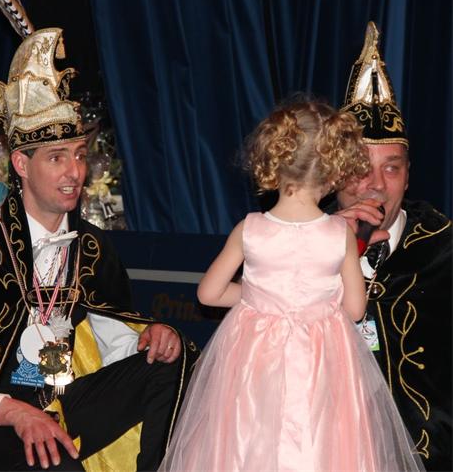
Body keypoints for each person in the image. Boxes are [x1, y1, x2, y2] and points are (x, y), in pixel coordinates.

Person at [0, 28, 198, 472]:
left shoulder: (91, 247)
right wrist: (14, 412)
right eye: (57, 157)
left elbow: (113, 335)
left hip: (62, 400)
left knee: (174, 359)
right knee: (59, 466)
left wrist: (147, 338)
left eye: (79, 154)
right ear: (21, 164)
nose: (74, 172)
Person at [158, 101, 424, 472]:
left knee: (246, 439)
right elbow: (355, 309)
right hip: (322, 365)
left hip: (254, 361)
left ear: (274, 163)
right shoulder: (340, 235)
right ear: (333, 172)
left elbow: (209, 293)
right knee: (325, 445)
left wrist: (259, 295)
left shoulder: (249, 229)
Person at [331, 21, 452, 471]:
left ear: (408, 175)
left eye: (392, 168)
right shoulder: (294, 248)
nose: (376, 185)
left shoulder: (443, 249)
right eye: (359, 167)